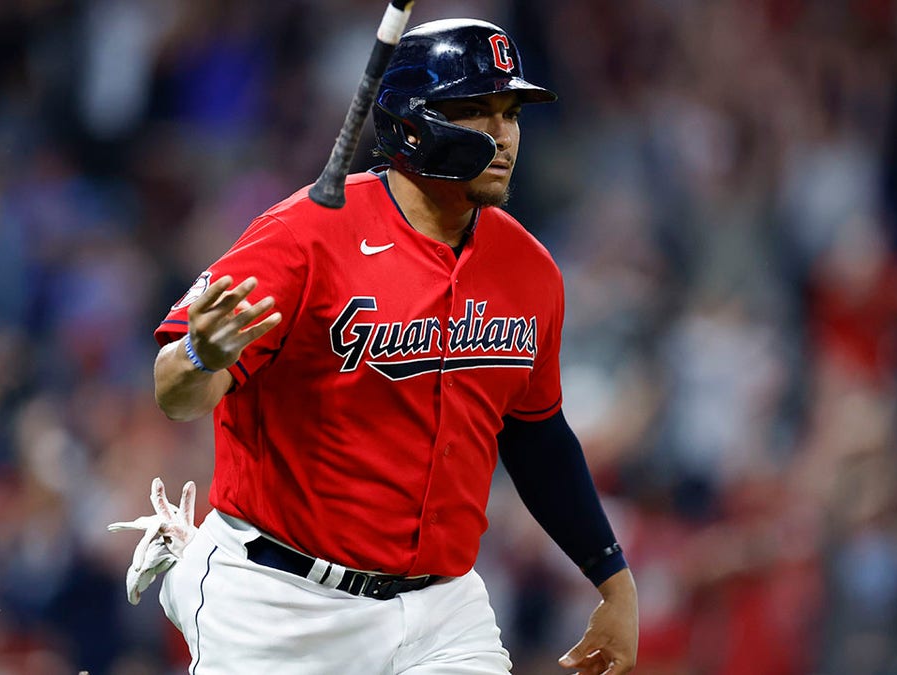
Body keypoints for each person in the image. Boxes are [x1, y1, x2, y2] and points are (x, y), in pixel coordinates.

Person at [112, 18, 638, 674]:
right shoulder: (300, 238)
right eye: (475, 111)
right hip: (281, 601)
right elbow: (174, 393)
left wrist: (613, 580)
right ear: (412, 126)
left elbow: (537, 437)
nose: (503, 134)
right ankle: (191, 567)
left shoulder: (528, 268)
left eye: (511, 112)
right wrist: (199, 354)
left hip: (442, 611)